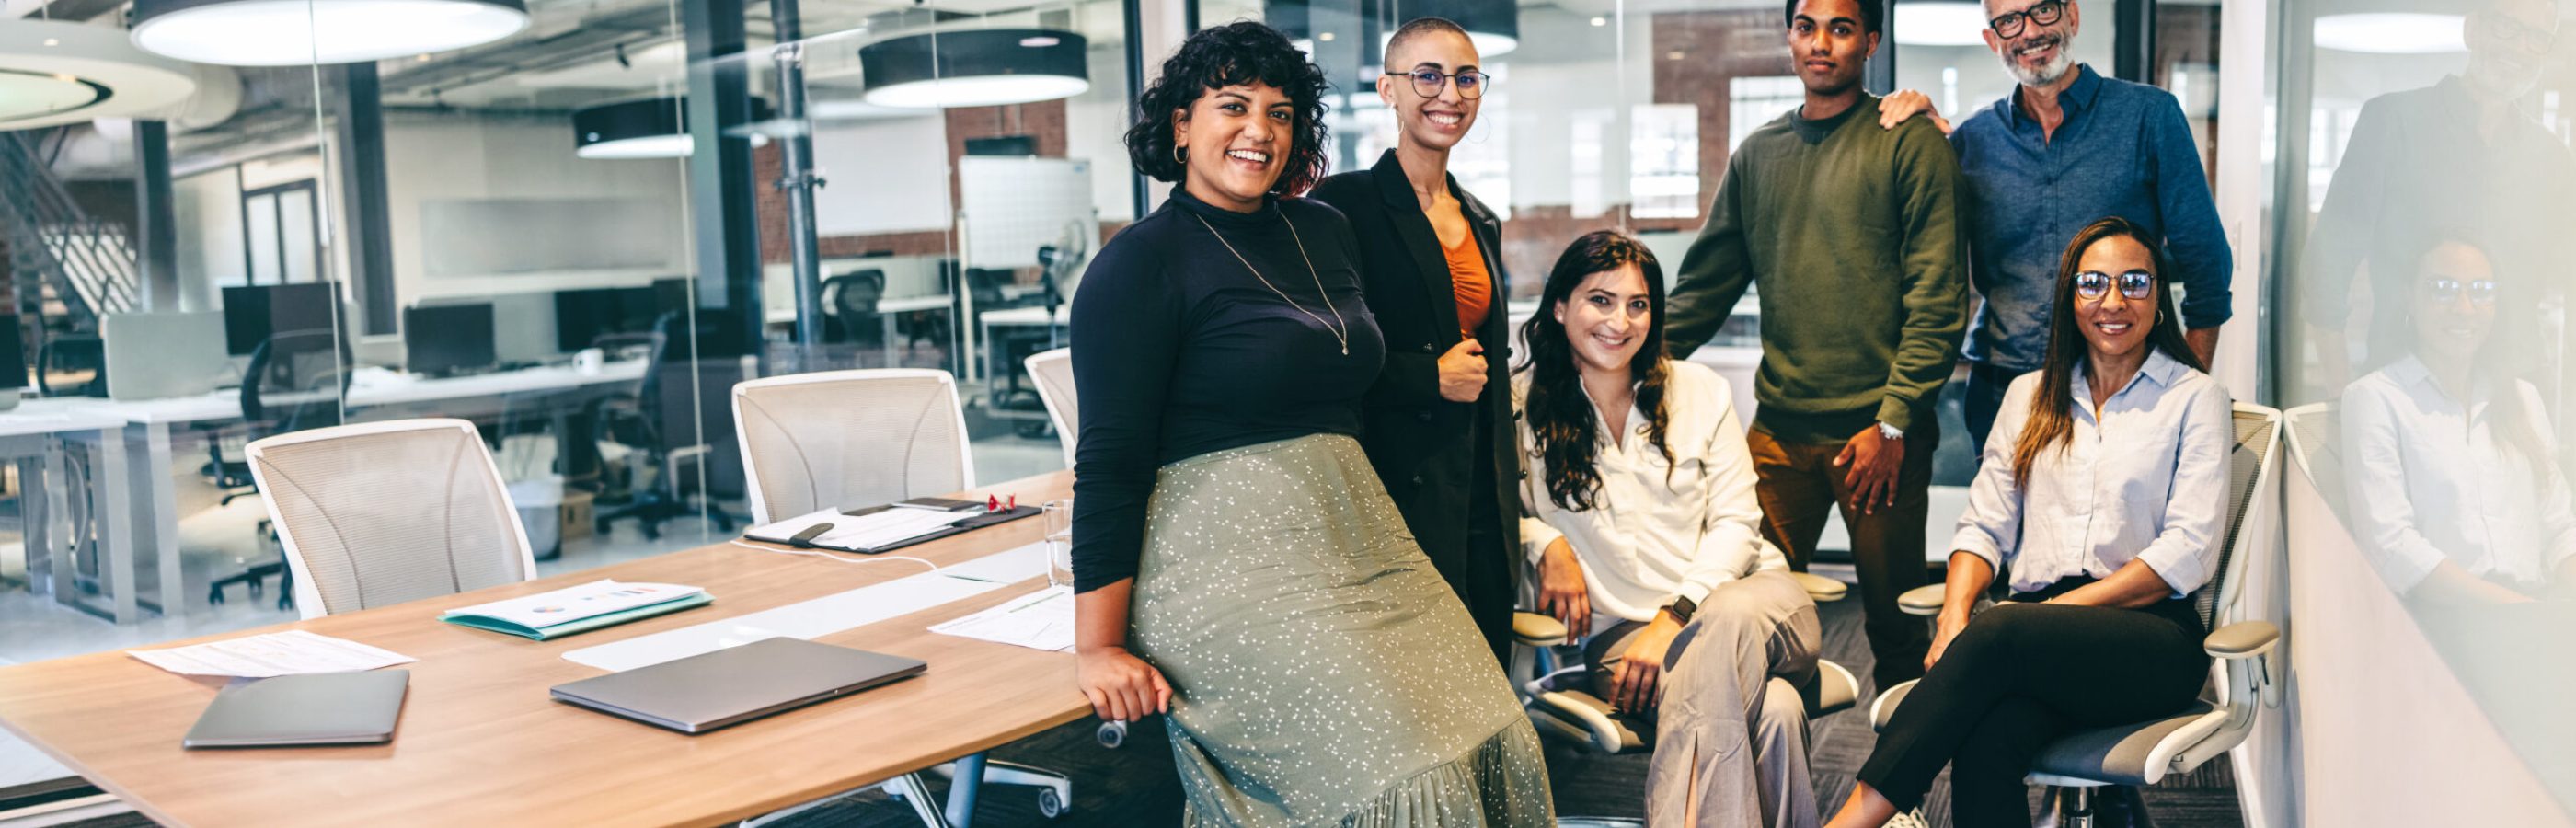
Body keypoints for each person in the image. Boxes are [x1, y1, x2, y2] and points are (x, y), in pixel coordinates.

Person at [1066, 21, 1552, 826]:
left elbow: (1357, 373)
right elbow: (1111, 462)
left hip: (1360, 540)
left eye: (1281, 112)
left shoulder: (1324, 229)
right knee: (1401, 775)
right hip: (1222, 563)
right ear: (1181, 125)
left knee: (1500, 729)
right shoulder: (1139, 264)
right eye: (1233, 105)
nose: (1259, 130)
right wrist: (1099, 645)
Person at [1824, 217, 2231, 828]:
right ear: (2071, 297)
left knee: (2003, 632)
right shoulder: (2028, 396)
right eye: (2093, 283)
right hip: (2032, 637)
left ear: (2160, 296)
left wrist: (2041, 618)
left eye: (2135, 283)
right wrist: (1955, 616)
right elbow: (1984, 525)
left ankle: (1847, 824)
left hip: (2149, 638)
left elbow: (2187, 551)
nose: (2113, 301)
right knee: (1988, 737)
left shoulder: (2193, 398)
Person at [1662, 0, 1970, 690]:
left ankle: (1901, 795)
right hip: (1778, 432)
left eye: (1840, 27)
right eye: (1806, 27)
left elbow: (1939, 298)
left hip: (1878, 434)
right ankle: (1769, 775)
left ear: (1870, 41)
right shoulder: (1758, 155)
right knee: (1737, 602)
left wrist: (1893, 420)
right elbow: (1702, 291)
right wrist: (1618, 360)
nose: (1821, 43)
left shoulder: (1909, 142)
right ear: (1790, 38)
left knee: (1893, 628)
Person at [1515, 231, 1824, 828]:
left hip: (1755, 604)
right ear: (1559, 307)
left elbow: (1739, 524)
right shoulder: (1522, 406)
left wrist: (1674, 617)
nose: (1620, 321)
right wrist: (1544, 541)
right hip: (1624, 640)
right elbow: (1494, 511)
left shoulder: (1698, 389)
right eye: (1599, 300)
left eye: (1637, 304)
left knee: (1726, 623)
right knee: (1778, 710)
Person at [1875, 0, 2233, 456]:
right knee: (2005, 527)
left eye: (2042, 10)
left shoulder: (2150, 117)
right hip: (2001, 389)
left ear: (2072, 16)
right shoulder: (1971, 142)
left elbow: (2207, 267)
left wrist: (2189, 391)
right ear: (1993, 40)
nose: (2028, 32)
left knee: (2124, 527)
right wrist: (1914, 134)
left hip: (2122, 387)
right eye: (2008, 20)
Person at [1309, 17, 1518, 664]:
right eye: (1426, 76)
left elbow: (1491, 362)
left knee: (1485, 672)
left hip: (1479, 480)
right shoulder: (1342, 206)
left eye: (1465, 78)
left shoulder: (1480, 216)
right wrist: (1429, 377)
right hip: (1395, 483)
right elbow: (1319, 358)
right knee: (1419, 683)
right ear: (1388, 90)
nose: (1448, 94)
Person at [2297, 0, 2573, 397]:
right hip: (2404, 391)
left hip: (2517, 398)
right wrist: (2344, 399)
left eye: (2537, 38)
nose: (2520, 48)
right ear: (2472, 30)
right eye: (2507, 28)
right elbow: (2327, 265)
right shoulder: (2391, 122)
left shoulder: (2553, 159)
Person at [2340, 232, 2576, 606]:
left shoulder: (2521, 398)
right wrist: (2520, 611)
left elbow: (2560, 526)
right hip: (2438, 626)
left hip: (2532, 616)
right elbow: (2394, 549)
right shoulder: (2376, 398)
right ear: (2409, 299)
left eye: (2481, 289)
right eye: (2442, 288)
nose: (2464, 307)